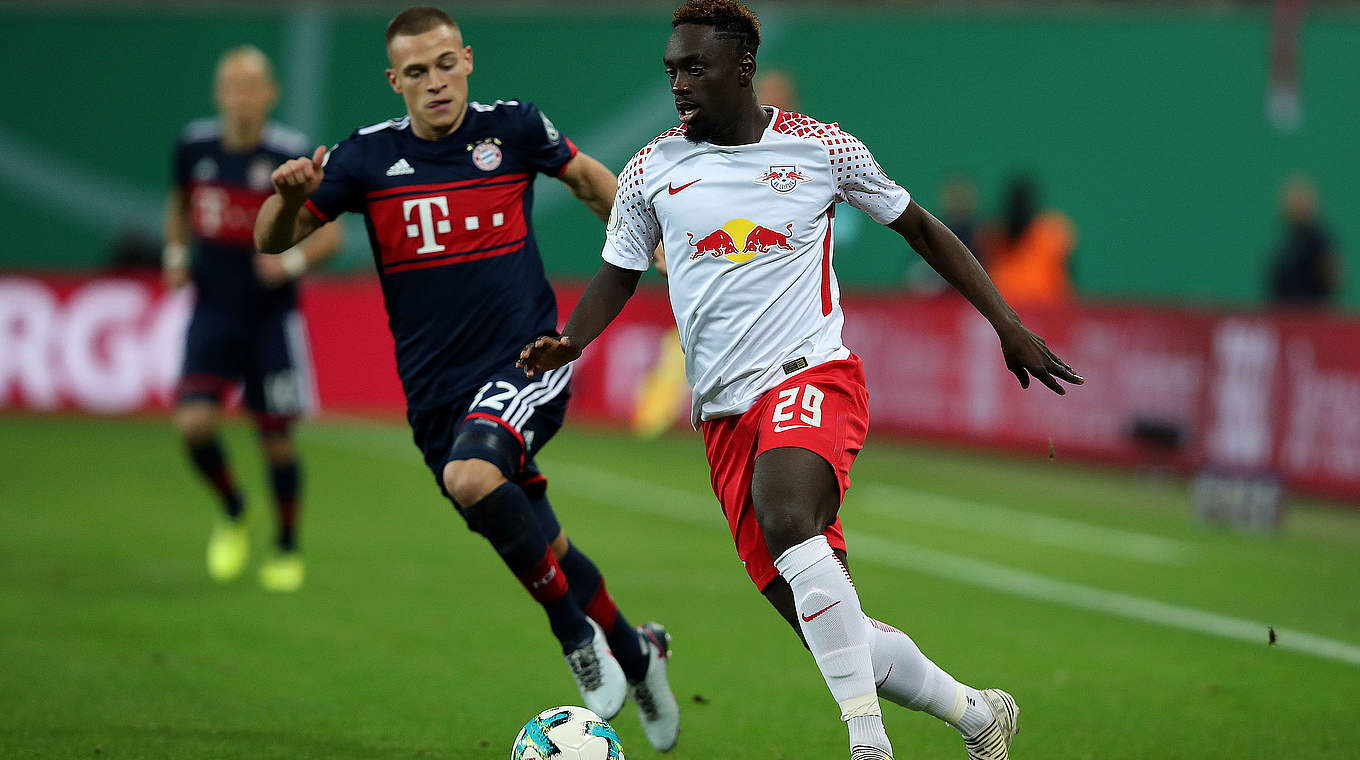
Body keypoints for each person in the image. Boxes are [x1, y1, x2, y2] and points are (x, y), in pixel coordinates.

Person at [519, 2, 1083, 758]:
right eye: (672, 71)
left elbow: (917, 226)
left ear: (742, 68)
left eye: (696, 68)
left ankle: (867, 744)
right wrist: (569, 340)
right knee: (834, 627)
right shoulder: (653, 169)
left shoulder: (822, 149)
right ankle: (979, 714)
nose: (680, 84)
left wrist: (1006, 323)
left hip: (811, 375)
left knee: (788, 517)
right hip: (723, 417)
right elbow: (618, 276)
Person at [251, 7, 679, 750]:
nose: (435, 82)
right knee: (542, 537)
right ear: (395, 81)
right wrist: (289, 195)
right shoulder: (363, 160)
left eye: (445, 63)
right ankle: (641, 656)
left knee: (474, 477)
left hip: (524, 361)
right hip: (434, 397)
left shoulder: (512, 129)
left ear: (468, 60)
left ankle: (575, 640)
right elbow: (270, 239)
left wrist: (658, 245)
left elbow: (584, 179)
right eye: (416, 72)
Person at [166, 45, 343, 593]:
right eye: (231, 87)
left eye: (252, 86)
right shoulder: (194, 147)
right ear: (219, 94)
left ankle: (287, 544)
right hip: (213, 309)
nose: (241, 98)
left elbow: (331, 233)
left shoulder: (288, 156)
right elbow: (180, 207)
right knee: (193, 423)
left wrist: (287, 261)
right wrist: (176, 255)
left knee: (277, 441)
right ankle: (234, 508)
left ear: (271, 94)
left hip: (270, 318)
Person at [984, 174, 1076, 307]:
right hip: (1003, 312)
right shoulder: (993, 235)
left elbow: (1066, 283)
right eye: (1014, 205)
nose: (1018, 211)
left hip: (1045, 310)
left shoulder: (1052, 233)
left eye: (1022, 204)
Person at [1268, 173, 1338, 306]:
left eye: (1299, 200)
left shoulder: (1320, 239)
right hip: (1284, 313)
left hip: (1311, 315)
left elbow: (1332, 277)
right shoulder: (1286, 240)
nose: (1294, 205)